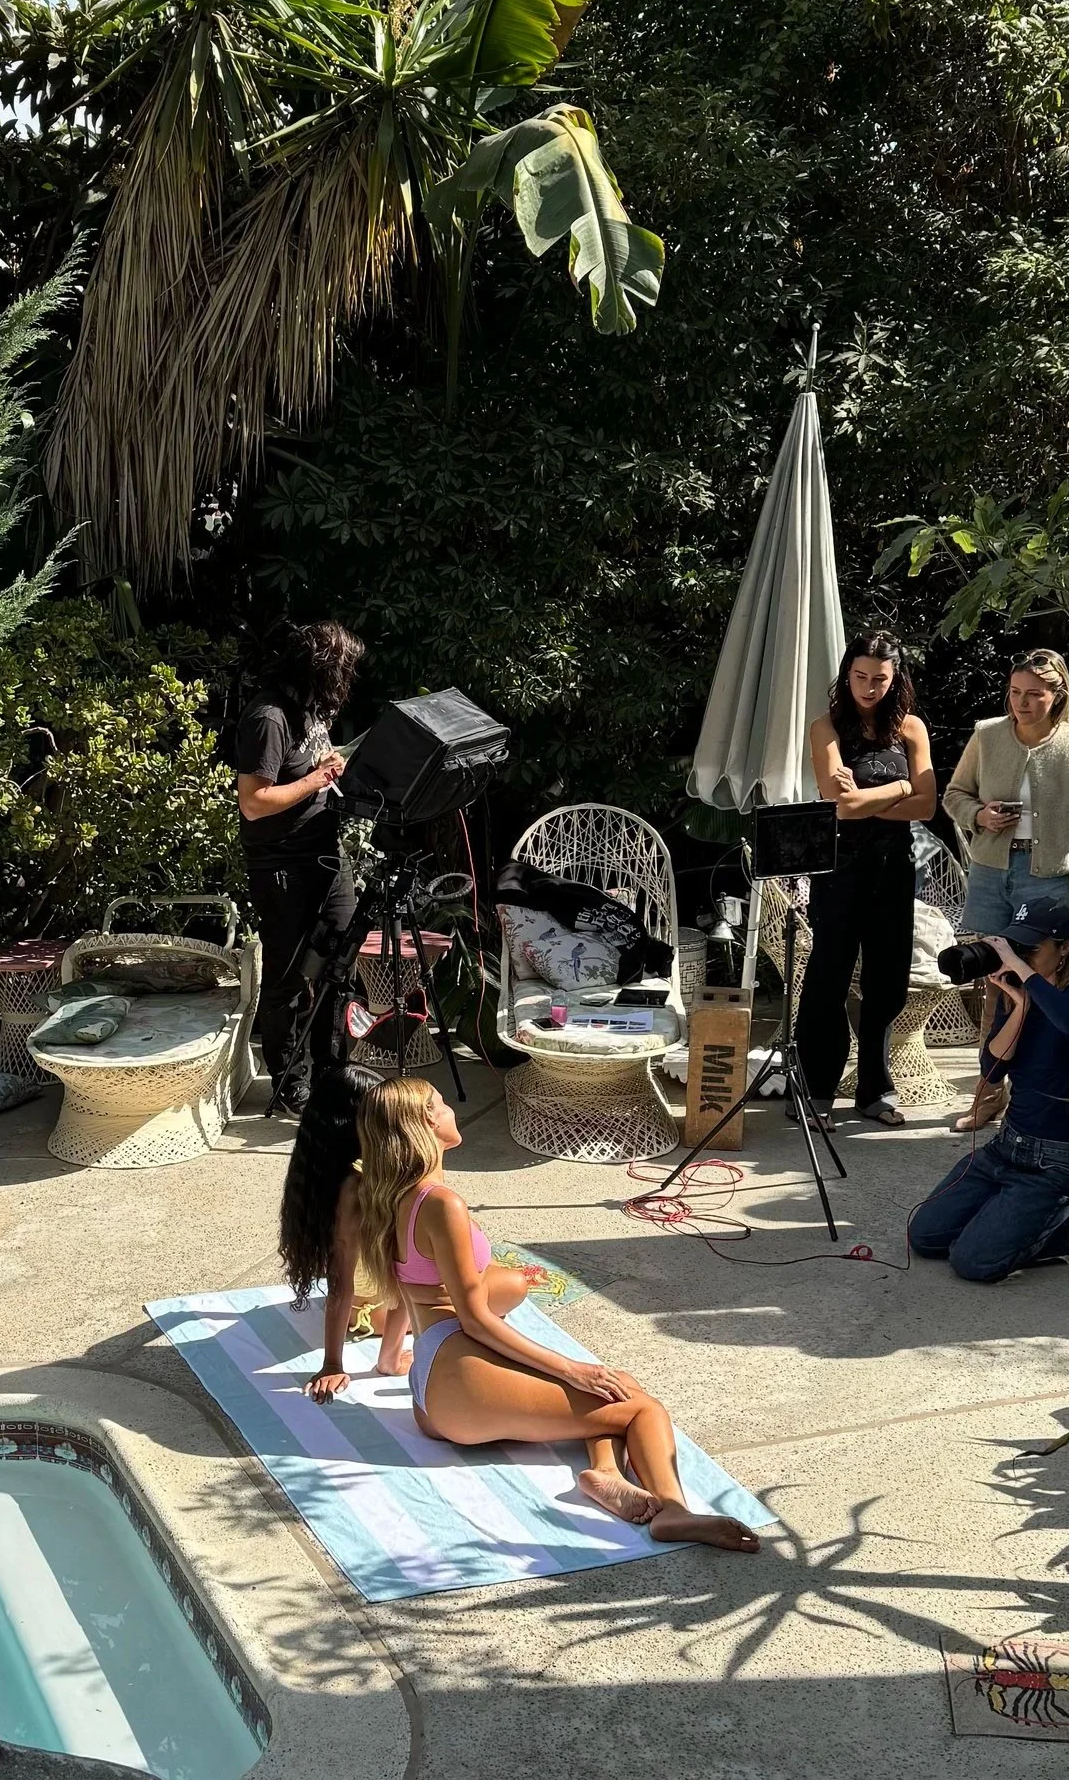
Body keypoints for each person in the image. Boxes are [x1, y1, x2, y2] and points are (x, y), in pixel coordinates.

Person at [346, 1075, 762, 1550]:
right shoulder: (442, 1203)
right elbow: (477, 1317)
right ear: (426, 1121)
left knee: (610, 1391)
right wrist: (570, 1367)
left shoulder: (391, 1196)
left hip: (428, 1393)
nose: (451, 1111)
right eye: (442, 1104)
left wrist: (389, 1359)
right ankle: (673, 1511)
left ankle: (606, 1473)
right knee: (639, 1406)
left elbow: (407, 1294)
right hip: (459, 1377)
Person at [908, 893, 1069, 1281]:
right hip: (1007, 1147)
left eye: (1030, 949)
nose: (1020, 957)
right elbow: (992, 1069)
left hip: (1056, 1161)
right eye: (1017, 946)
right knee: (926, 1236)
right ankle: (1009, 1213)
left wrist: (1025, 974)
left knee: (973, 1263)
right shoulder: (1019, 992)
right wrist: (1018, 1008)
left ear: (1063, 948)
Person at [799, 631, 938, 1126]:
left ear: (895, 676)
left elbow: (928, 805)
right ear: (847, 673)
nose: (868, 687)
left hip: (895, 871)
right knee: (827, 977)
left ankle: (874, 1088)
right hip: (839, 870)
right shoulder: (827, 728)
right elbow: (844, 808)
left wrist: (875, 796)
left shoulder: (912, 729)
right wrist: (902, 785)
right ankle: (816, 1088)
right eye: (860, 676)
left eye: (879, 678)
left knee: (888, 982)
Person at [235, 619, 365, 1114]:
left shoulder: (310, 708)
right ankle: (289, 1082)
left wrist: (333, 767)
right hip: (283, 865)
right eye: (342, 669)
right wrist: (319, 777)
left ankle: (335, 1075)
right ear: (319, 669)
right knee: (290, 978)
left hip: (327, 854)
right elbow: (255, 801)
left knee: (339, 967)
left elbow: (314, 766)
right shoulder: (269, 716)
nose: (346, 679)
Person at [944, 650, 1069, 938]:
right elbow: (955, 794)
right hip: (988, 872)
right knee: (989, 966)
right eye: (1015, 691)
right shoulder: (987, 734)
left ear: (1058, 694)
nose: (1021, 702)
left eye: (1033, 694)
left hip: (1049, 878)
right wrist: (979, 815)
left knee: (1039, 969)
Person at [280, 1063, 412, 1396]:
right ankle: (388, 1352)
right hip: (374, 1305)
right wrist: (333, 1364)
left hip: (365, 1297)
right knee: (509, 1288)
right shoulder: (356, 1187)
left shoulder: (320, 1167)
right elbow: (346, 1282)